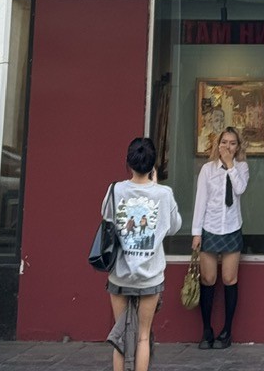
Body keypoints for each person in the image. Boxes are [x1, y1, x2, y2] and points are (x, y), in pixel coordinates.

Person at [102, 136, 181, 371]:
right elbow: (174, 226)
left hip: (120, 273)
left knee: (120, 334)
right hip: (150, 275)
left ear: (129, 161)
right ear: (153, 165)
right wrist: (154, 187)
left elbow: (106, 218)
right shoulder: (164, 194)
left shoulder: (115, 190)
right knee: (143, 336)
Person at [192, 126, 250, 350]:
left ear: (238, 147)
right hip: (210, 227)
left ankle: (227, 330)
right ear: (218, 144)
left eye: (232, 143)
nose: (227, 146)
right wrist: (197, 232)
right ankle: (206, 330)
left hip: (232, 227)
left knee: (229, 279)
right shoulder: (207, 169)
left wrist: (230, 166)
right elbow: (201, 201)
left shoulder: (242, 168)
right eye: (224, 142)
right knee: (208, 279)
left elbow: (240, 189)